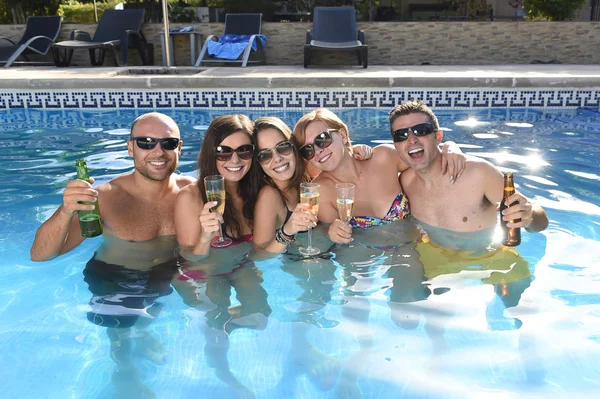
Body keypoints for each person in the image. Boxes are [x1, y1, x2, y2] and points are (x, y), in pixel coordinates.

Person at [29, 112, 195, 397]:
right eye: (146, 142)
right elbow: (40, 255)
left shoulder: (192, 192)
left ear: (179, 148)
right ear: (130, 148)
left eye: (168, 143)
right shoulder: (104, 197)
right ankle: (125, 371)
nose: (158, 151)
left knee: (149, 316)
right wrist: (66, 209)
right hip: (114, 277)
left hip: (167, 270)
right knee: (120, 336)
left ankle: (144, 333)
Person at [173, 114, 270, 398]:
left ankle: (225, 321)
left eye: (244, 150)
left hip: (240, 266)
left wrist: (358, 152)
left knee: (261, 317)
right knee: (216, 331)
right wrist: (205, 235)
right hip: (201, 272)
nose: (234, 159)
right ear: (210, 154)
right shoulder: (190, 197)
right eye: (223, 151)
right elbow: (192, 258)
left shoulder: (257, 192)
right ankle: (227, 379)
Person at [291, 108, 465, 244]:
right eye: (308, 149)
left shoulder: (383, 157)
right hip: (366, 262)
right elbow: (334, 242)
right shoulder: (321, 192)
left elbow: (427, 157)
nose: (318, 150)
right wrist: (333, 233)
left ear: (342, 135)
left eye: (322, 139)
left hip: (419, 245)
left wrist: (450, 146)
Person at [388, 100, 548, 241]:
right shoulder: (405, 182)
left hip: (486, 263)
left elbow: (540, 221)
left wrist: (530, 217)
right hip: (434, 264)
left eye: (421, 130)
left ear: (438, 137)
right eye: (401, 135)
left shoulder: (478, 173)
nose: (411, 140)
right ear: (395, 145)